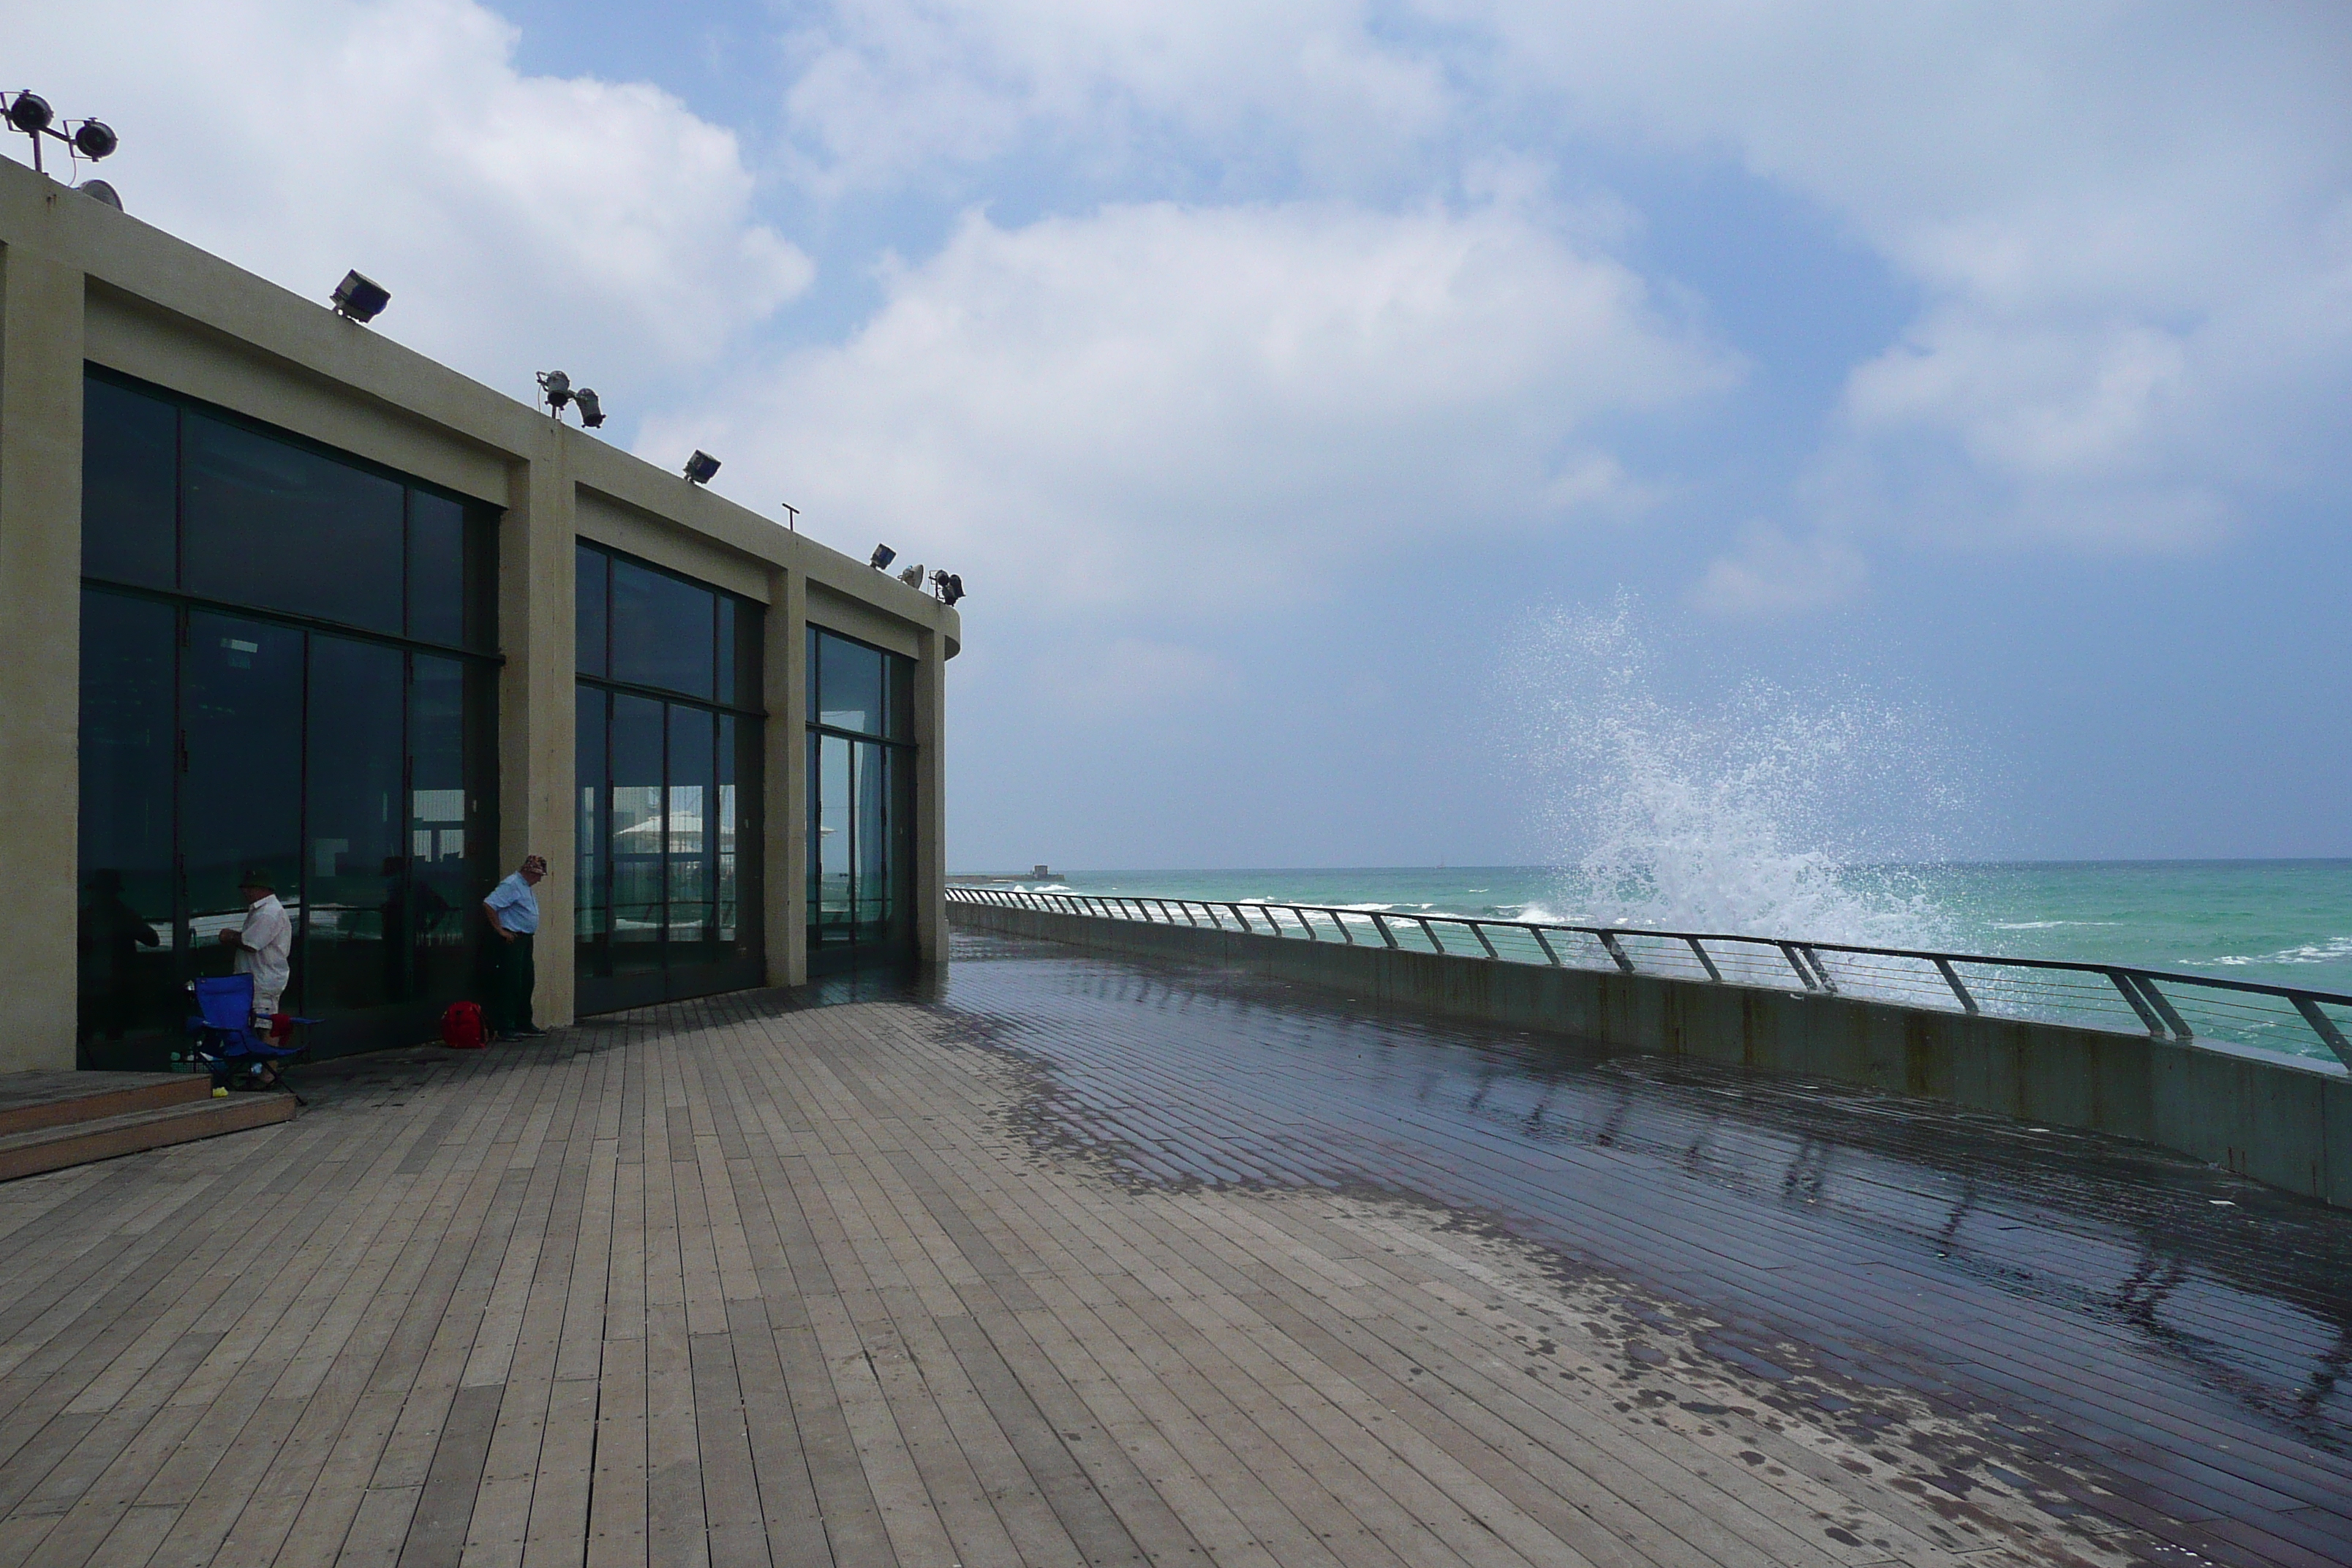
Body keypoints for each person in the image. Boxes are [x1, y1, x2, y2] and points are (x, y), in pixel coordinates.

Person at [216, 868, 293, 1026]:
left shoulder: (268, 913)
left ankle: (268, 1051)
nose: (246, 892)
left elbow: (251, 944)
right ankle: (259, 1050)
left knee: (266, 1025)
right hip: (254, 980)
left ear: (264, 889)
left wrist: (229, 935)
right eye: (245, 888)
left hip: (262, 981)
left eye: (250, 888)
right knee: (254, 1023)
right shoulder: (263, 910)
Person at [483, 854, 548, 1039]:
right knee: (512, 981)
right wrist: (500, 930)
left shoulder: (525, 886)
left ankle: (524, 1022)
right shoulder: (512, 884)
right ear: (529, 872)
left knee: (526, 980)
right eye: (538, 875)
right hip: (513, 938)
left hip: (526, 938)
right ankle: (507, 1025)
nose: (539, 879)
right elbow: (489, 904)